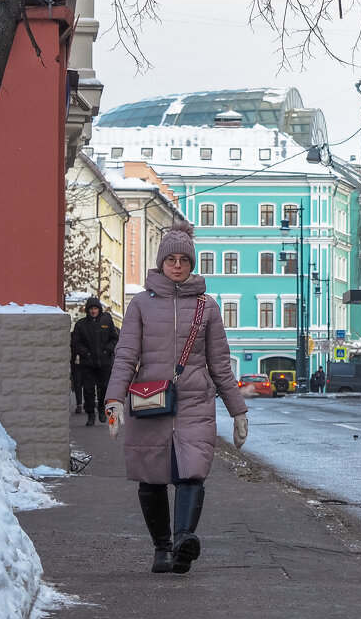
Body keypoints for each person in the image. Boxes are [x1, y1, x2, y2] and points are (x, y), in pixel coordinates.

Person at [103, 220, 249, 575]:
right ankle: (162, 549)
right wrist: (114, 401)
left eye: (185, 259)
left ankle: (184, 539)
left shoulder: (207, 307)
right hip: (149, 403)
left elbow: (221, 365)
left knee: (191, 475)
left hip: (194, 404)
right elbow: (125, 355)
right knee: (150, 479)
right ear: (161, 262)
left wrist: (238, 411)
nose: (178, 265)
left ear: (192, 263)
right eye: (172, 260)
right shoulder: (140, 304)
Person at [72, 297, 119, 426]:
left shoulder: (107, 322)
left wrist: (107, 351)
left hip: (104, 363)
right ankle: (91, 414)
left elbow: (114, 339)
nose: (93, 311)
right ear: (88, 310)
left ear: (99, 309)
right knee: (88, 390)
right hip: (87, 364)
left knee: (104, 387)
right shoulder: (81, 324)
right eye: (91, 309)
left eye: (95, 308)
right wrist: (85, 353)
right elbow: (76, 343)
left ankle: (102, 409)